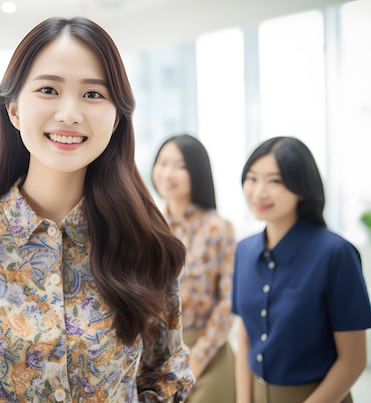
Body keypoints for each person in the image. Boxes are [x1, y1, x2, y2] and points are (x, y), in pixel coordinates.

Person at [0, 17, 195, 403]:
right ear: (15, 109)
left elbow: (167, 374)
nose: (70, 112)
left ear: (117, 117)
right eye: (49, 90)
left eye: (93, 95)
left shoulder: (145, 243)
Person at [232, 136, 371, 403]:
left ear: (302, 187)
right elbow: (245, 336)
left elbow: (353, 361)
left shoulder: (336, 253)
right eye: (252, 178)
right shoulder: (243, 251)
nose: (259, 191)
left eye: (275, 181)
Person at [151, 134, 236, 403]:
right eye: (163, 163)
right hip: (155, 356)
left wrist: (196, 360)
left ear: (197, 172)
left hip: (207, 353)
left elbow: (228, 303)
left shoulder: (218, 228)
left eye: (180, 165)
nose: (168, 173)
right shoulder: (146, 226)